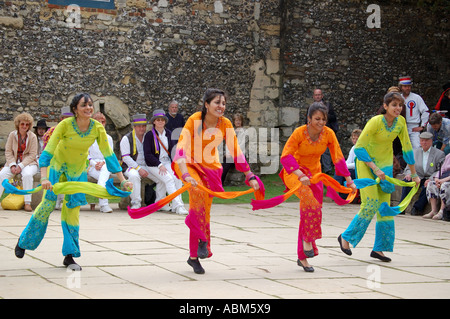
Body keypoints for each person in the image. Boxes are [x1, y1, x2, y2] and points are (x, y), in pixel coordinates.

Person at [14, 93, 132, 270]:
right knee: (47, 206)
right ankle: (24, 242)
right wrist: (44, 177)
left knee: (72, 211)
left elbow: (109, 156)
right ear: (75, 109)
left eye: (90, 105)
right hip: (56, 168)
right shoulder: (65, 125)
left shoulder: (97, 128)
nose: (88, 108)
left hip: (77, 171)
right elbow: (48, 151)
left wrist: (122, 181)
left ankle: (69, 256)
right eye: (84, 105)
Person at [173, 88, 261, 275]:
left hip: (211, 170)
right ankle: (202, 241)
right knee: (196, 202)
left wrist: (249, 175)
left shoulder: (225, 123)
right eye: (217, 103)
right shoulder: (195, 120)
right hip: (190, 166)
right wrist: (185, 174)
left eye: (223, 103)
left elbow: (235, 151)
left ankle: (193, 256)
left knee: (203, 212)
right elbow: (181, 146)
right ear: (206, 104)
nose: (221, 106)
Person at [338, 92, 420, 263]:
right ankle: (346, 238)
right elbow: (359, 148)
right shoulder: (375, 122)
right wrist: (375, 169)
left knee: (385, 208)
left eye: (400, 105)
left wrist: (414, 174)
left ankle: (379, 249)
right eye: (394, 105)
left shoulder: (401, 123)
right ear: (385, 106)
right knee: (371, 204)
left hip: (385, 167)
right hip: (367, 165)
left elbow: (407, 148)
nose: (398, 108)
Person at [282, 102, 356, 272]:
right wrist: (300, 174)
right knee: (309, 202)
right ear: (308, 119)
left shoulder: (328, 134)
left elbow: (338, 157)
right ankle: (308, 241)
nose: (321, 122)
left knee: (313, 210)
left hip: (315, 174)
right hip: (294, 173)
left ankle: (303, 258)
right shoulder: (299, 133)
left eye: (323, 119)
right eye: (317, 119)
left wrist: (349, 180)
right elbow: (286, 157)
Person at [143, 109, 188, 215]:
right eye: (158, 120)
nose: (160, 122)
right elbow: (148, 155)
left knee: (177, 178)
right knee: (168, 179)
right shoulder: (149, 135)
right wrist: (159, 165)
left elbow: (173, 151)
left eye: (162, 120)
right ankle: (179, 206)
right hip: (154, 164)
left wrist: (176, 164)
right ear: (154, 122)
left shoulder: (168, 133)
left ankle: (162, 204)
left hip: (167, 162)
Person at [120, 113, 166, 210]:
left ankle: (159, 203)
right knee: (134, 176)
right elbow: (126, 158)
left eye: (143, 126)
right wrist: (138, 168)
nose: (142, 128)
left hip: (146, 166)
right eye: (139, 126)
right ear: (134, 127)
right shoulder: (126, 138)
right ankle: (136, 203)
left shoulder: (148, 137)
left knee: (162, 177)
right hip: (130, 167)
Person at [0, 113, 39, 212]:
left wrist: (21, 166)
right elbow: (8, 151)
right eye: (22, 124)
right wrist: (12, 164)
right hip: (13, 162)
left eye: (27, 124)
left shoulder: (33, 136)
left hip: (29, 163)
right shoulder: (12, 135)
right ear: (18, 124)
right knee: (2, 174)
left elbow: (33, 154)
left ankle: (27, 202)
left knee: (27, 175)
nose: (24, 126)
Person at [400, 131, 445, 215]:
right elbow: (408, 167)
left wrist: (431, 179)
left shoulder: (439, 154)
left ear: (431, 141)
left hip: (429, 177)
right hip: (417, 176)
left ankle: (417, 208)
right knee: (406, 182)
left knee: (428, 186)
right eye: (422, 140)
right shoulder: (414, 152)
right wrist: (409, 173)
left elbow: (439, 170)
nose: (424, 142)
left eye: (426, 140)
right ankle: (402, 207)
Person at [43, 106, 74, 210]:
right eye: (65, 118)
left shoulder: (75, 132)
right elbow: (47, 147)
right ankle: (55, 198)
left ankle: (67, 200)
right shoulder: (52, 131)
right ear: (61, 119)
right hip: (54, 159)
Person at [305, 89, 339, 175]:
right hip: (313, 132)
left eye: (319, 95)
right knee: (312, 150)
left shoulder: (327, 106)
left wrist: (324, 116)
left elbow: (333, 117)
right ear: (313, 96)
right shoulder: (311, 107)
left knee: (326, 151)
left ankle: (327, 169)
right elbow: (307, 119)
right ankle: (313, 169)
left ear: (322, 96)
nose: (317, 96)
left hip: (324, 131)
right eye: (316, 95)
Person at [87, 112, 114, 213]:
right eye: (98, 122)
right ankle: (104, 204)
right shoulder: (88, 137)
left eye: (103, 122)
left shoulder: (109, 138)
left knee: (105, 172)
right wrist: (94, 164)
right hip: (92, 166)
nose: (101, 124)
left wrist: (103, 162)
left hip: (105, 164)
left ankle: (103, 204)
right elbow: (86, 154)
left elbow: (110, 154)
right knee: (104, 178)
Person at [399, 76, 430, 149]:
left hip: (413, 127)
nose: (407, 88)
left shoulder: (416, 98)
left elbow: (425, 111)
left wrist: (422, 126)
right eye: (405, 86)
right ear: (401, 87)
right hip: (400, 126)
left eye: (409, 86)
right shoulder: (398, 98)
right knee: (401, 148)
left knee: (417, 147)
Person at [333, 128, 361, 199]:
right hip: (351, 168)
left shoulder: (362, 148)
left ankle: (336, 185)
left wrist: (344, 167)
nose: (354, 140)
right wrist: (341, 166)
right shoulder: (353, 148)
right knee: (340, 170)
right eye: (353, 138)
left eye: (356, 139)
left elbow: (357, 164)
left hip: (358, 171)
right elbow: (348, 161)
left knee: (343, 171)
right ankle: (338, 188)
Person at [221, 113, 247, 184]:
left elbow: (242, 145)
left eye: (239, 120)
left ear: (242, 121)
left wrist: (233, 153)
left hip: (240, 154)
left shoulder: (245, 132)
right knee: (224, 165)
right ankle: (220, 183)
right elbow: (227, 143)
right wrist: (227, 153)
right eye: (236, 120)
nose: (238, 122)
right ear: (234, 122)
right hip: (230, 154)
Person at [424, 153, 450, 220]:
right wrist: (437, 179)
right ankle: (434, 210)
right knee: (431, 184)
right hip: (443, 178)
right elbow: (442, 169)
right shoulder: (448, 156)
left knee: (444, 186)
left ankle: (442, 211)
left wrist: (442, 180)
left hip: (447, 180)